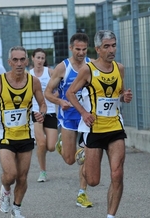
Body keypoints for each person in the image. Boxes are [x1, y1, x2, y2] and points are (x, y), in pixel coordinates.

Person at [66, 30, 132, 218]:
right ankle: (84, 154)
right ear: (98, 49)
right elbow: (70, 93)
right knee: (93, 181)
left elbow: (119, 92)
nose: (111, 50)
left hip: (114, 127)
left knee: (117, 173)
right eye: (107, 46)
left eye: (113, 45)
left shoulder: (119, 68)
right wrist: (84, 113)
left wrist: (125, 95)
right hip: (95, 128)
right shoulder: (88, 69)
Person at [0, 46, 47, 218]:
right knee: (10, 175)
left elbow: (42, 103)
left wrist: (41, 114)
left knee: (22, 176)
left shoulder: (33, 81)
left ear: (27, 61)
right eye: (15, 60)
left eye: (22, 60)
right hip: (5, 135)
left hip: (25, 134)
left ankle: (17, 208)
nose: (19, 63)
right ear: (9, 62)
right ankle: (5, 190)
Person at [44, 33, 93, 208]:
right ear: (71, 48)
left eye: (84, 49)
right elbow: (48, 92)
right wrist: (59, 101)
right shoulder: (62, 68)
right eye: (77, 49)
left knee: (87, 155)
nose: (81, 53)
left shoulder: (91, 65)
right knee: (70, 160)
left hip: (87, 118)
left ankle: (82, 193)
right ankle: (62, 144)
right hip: (69, 118)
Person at [29, 48, 58, 182]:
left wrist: (54, 96)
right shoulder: (28, 75)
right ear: (32, 58)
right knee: (41, 143)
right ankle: (43, 171)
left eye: (42, 58)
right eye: (38, 58)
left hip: (50, 111)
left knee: (51, 147)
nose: (40, 60)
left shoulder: (50, 72)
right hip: (36, 111)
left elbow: (62, 87)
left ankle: (60, 142)